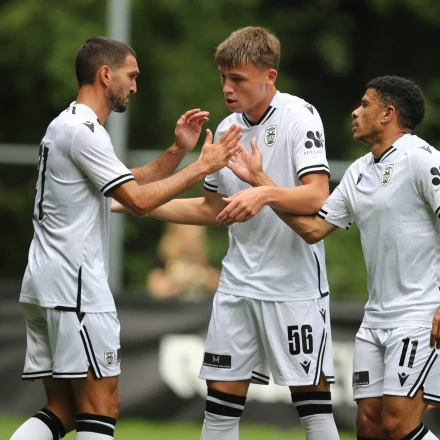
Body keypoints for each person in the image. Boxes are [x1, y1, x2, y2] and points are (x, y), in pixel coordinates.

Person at [11, 36, 242, 440]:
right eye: (131, 76)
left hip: (45, 284)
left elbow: (127, 181)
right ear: (106, 74)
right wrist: (203, 166)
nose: (135, 86)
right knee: (103, 405)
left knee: (64, 409)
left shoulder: (68, 124)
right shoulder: (85, 130)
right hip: (75, 289)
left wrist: (178, 151)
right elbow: (137, 201)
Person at [114, 26, 340, 440]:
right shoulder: (225, 130)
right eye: (223, 77)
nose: (226, 88)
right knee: (219, 413)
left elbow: (317, 196)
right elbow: (211, 208)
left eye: (237, 78)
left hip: (294, 289)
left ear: (269, 76)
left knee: (314, 413)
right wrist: (137, 203)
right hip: (237, 287)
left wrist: (264, 192)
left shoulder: (299, 116)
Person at [219, 75, 440, 440]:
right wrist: (262, 185)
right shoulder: (359, 172)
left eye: (365, 105)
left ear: (387, 114)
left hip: (419, 315)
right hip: (375, 319)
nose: (355, 112)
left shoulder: (421, 159)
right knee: (368, 425)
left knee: (399, 425)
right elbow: (313, 229)